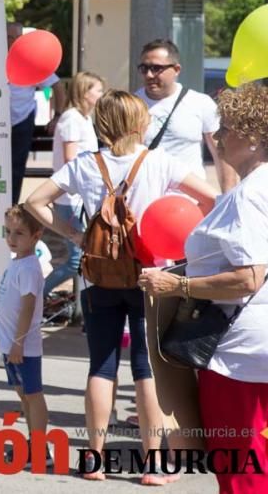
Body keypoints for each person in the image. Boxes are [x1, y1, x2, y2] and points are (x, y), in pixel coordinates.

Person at [24, 90, 216, 483]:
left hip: (100, 277)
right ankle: (153, 463)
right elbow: (211, 198)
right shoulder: (159, 161)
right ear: (139, 123)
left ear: (101, 125)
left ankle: (93, 459)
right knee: (146, 371)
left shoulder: (84, 165)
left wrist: (76, 236)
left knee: (101, 366)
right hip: (152, 278)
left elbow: (35, 201)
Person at [138, 82, 268, 493]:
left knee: (242, 473)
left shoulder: (249, 195)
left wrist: (176, 283)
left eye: (228, 128)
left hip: (239, 355)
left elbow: (249, 277)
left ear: (255, 138)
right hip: (253, 350)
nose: (218, 137)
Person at [135, 38, 237, 192]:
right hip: (144, 202)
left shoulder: (200, 103)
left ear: (176, 69)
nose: (149, 75)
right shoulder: (131, 105)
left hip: (190, 203)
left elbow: (222, 152)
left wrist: (229, 197)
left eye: (156, 68)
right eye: (144, 68)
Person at [0, 205, 49, 461]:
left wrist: (18, 341)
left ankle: (40, 448)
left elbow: (27, 307)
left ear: (36, 236)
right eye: (8, 232)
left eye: (19, 233)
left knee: (33, 394)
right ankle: (31, 442)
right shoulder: (16, 263)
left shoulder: (29, 267)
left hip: (22, 346)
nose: (11, 239)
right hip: (10, 343)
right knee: (23, 394)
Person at [43, 71, 105, 296]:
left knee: (82, 256)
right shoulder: (71, 118)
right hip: (70, 198)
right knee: (76, 259)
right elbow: (71, 159)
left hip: (80, 196)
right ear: (84, 92)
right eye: (97, 90)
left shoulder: (85, 118)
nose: (101, 94)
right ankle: (38, 294)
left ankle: (81, 302)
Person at [8, 21, 64, 205]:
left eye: (18, 37)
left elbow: (57, 86)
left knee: (15, 170)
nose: (14, 41)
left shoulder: (28, 58)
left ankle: (11, 208)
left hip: (22, 121)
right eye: (9, 37)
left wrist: (57, 116)